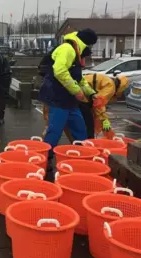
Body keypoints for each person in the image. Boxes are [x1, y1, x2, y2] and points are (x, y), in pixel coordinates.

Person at [38, 29, 98, 167]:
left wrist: (91, 93)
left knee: (80, 129)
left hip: (70, 101)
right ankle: (43, 160)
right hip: (57, 97)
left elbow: (79, 79)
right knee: (55, 131)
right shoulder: (67, 49)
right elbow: (59, 71)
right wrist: (76, 91)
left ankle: (84, 157)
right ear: (86, 44)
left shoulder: (76, 53)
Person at [82, 73, 130, 137]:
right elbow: (98, 104)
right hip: (81, 94)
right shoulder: (111, 87)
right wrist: (105, 122)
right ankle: (87, 142)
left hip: (80, 90)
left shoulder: (108, 81)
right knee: (89, 124)